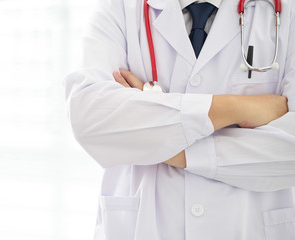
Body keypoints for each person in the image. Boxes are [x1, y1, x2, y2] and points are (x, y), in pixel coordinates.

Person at [64, 0, 295, 239]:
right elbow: (90, 118)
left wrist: (149, 132)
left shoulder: (287, 10)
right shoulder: (121, 7)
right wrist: (237, 107)